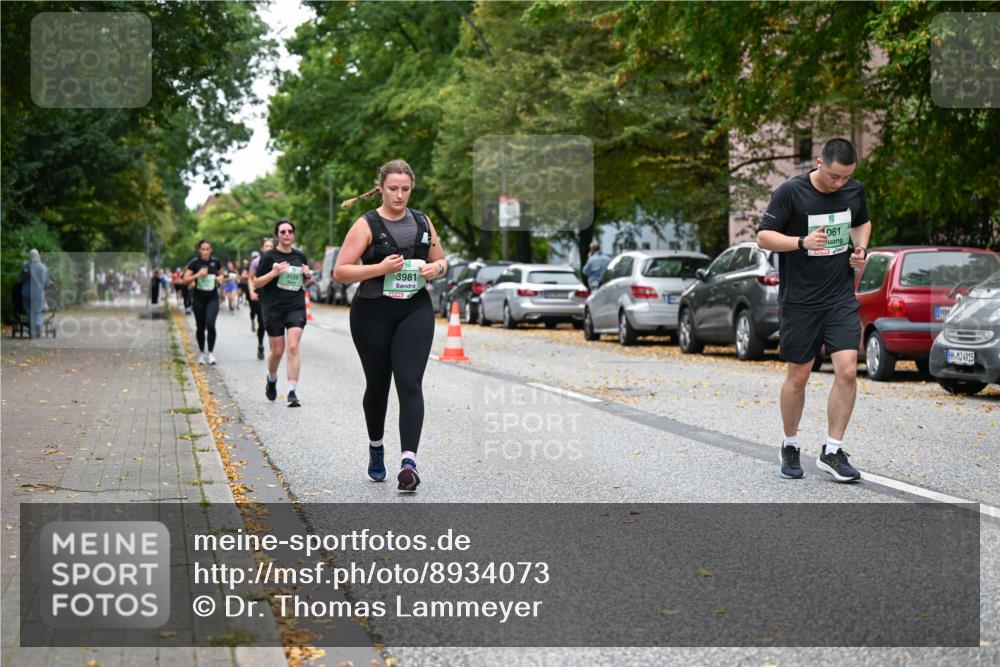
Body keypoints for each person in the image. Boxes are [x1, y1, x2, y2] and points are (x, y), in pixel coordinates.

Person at [756, 138, 871, 483]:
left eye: (846, 178)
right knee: (799, 376)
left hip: (839, 297)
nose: (840, 184)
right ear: (819, 162)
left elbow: (862, 222)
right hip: (801, 301)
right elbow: (763, 237)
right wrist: (801, 243)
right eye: (835, 176)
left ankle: (832, 450)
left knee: (848, 371)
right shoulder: (791, 192)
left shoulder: (854, 191)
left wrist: (860, 248)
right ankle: (790, 444)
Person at [335, 159, 447, 492]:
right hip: (372, 312)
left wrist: (435, 269)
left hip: (415, 309)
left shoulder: (423, 222)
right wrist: (379, 268)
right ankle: (375, 447)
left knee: (410, 383)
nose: (400, 196)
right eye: (393, 189)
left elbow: (441, 260)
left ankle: (409, 463)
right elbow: (341, 271)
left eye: (406, 189)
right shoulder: (366, 224)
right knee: (378, 385)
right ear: (381, 188)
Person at [253, 221, 311, 407]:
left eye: (290, 231)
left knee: (293, 347)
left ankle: (292, 391)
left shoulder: (300, 255)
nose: (287, 234)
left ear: (293, 235)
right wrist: (274, 272)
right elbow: (257, 283)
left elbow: (303, 280)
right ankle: (271, 378)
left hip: (295, 306)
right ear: (277, 235)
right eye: (283, 231)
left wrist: (307, 275)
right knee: (277, 351)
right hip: (273, 308)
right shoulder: (269, 257)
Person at [182, 240, 224, 364]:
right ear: (199, 250)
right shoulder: (195, 263)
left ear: (211, 250)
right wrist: (198, 275)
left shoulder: (215, 262)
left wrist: (221, 278)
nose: (205, 252)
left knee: (211, 324)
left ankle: (210, 353)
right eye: (203, 249)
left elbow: (222, 275)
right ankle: (201, 353)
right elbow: (185, 280)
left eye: (207, 249)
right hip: (199, 298)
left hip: (212, 298)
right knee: (200, 326)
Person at [247, 238, 274, 360]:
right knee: (262, 323)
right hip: (260, 295)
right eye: (266, 246)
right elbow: (250, 278)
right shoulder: (256, 262)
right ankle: (260, 345)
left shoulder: (277, 262)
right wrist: (252, 291)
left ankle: (273, 348)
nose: (268, 248)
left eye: (270, 246)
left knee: (273, 323)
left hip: (273, 296)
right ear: (262, 249)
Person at [20, 249, 49, 338]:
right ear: (38, 256)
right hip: (38, 292)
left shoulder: (25, 266)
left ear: (30, 256)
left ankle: (32, 330)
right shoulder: (43, 267)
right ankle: (38, 324)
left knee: (29, 311)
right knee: (38, 310)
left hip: (26, 292)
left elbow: (21, 280)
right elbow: (46, 282)